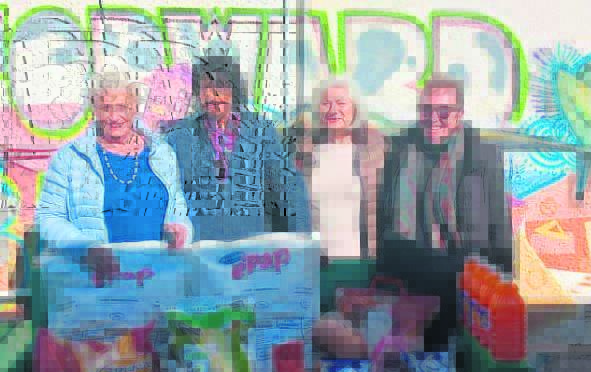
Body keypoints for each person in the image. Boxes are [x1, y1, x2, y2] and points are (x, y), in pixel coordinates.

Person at [377, 74, 513, 351]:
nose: (433, 118)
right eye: (426, 109)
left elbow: (499, 218)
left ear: (459, 114)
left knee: (463, 358)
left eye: (444, 111)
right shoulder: (400, 149)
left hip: (465, 277)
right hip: (411, 276)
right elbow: (382, 210)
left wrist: (505, 277)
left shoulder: (481, 153)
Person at [35, 72, 193, 279]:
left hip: (158, 277)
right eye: (106, 108)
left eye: (122, 107)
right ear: (95, 110)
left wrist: (182, 230)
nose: (114, 117)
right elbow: (48, 218)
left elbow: (178, 210)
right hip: (97, 281)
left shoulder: (162, 153)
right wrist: (86, 249)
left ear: (135, 108)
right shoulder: (71, 157)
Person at [162, 53, 310, 241]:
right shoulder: (179, 136)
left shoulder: (261, 131)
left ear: (235, 90)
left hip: (252, 246)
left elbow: (288, 189)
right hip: (199, 248)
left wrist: (300, 241)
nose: (213, 95)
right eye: (206, 87)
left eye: (221, 86)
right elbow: (168, 192)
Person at [290, 78, 386, 259]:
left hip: (361, 261)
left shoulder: (374, 153)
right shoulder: (305, 154)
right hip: (314, 260)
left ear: (355, 108)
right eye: (326, 103)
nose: (333, 110)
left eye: (341, 103)